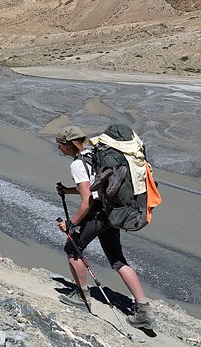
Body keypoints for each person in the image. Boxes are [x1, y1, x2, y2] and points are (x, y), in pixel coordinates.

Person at [54, 125, 154, 328]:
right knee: (117, 259)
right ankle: (143, 310)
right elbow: (94, 188)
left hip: (98, 214)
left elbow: (87, 201)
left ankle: (82, 296)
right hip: (112, 212)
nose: (59, 149)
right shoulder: (95, 154)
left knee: (72, 249)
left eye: (60, 145)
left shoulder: (77, 164)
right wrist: (67, 190)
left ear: (69, 144)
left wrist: (72, 223)